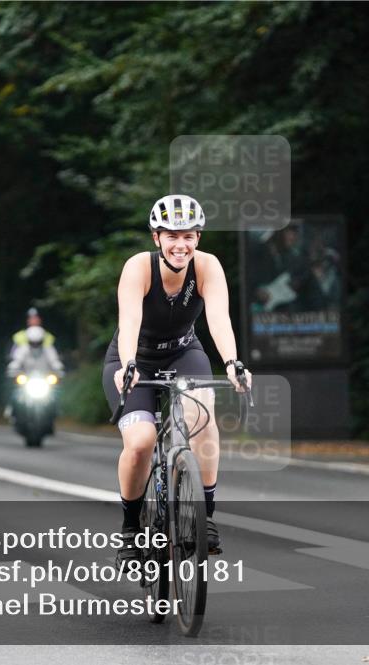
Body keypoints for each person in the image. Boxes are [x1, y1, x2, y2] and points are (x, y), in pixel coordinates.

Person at [103, 194, 252, 561]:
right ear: (157, 239)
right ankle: (130, 529)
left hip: (185, 352)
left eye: (188, 236)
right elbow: (130, 323)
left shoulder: (207, 267)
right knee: (140, 441)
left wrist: (233, 362)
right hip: (133, 358)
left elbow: (218, 319)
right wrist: (128, 365)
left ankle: (207, 515)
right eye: (172, 236)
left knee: (201, 416)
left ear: (198, 238)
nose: (180, 245)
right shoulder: (139, 267)